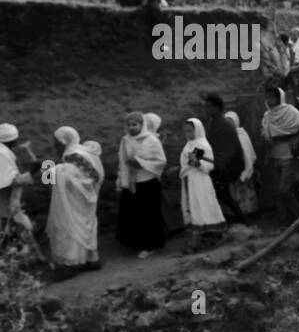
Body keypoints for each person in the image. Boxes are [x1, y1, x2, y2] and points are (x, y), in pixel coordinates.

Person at [46, 126, 104, 277]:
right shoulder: (82, 153)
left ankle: (71, 263)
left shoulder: (75, 156)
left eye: (56, 142)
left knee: (70, 231)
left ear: (64, 141)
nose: (55, 146)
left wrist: (49, 167)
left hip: (75, 203)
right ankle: (89, 259)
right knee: (83, 229)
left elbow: (51, 179)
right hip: (80, 201)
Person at [115, 111, 167, 258]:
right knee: (135, 215)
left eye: (135, 124)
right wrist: (121, 180)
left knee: (149, 215)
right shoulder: (125, 140)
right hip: (132, 184)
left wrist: (140, 163)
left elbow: (161, 161)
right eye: (129, 125)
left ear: (142, 125)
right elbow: (122, 162)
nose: (131, 128)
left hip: (148, 182)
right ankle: (136, 243)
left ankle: (150, 245)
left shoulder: (151, 140)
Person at [261, 87, 299, 225]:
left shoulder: (290, 111)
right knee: (278, 192)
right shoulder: (267, 116)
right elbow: (265, 133)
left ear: (279, 98)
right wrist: (266, 138)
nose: (269, 100)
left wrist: (296, 139)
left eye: (272, 97)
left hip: (289, 156)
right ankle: (284, 222)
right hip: (274, 156)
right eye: (267, 97)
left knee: (284, 190)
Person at [178, 118, 226, 252]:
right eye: (185, 131)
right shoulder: (188, 145)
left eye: (190, 131)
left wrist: (197, 163)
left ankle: (195, 243)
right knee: (193, 207)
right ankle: (207, 237)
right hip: (189, 180)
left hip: (199, 181)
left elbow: (210, 165)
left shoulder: (203, 145)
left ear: (197, 130)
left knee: (200, 207)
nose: (187, 134)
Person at [201, 94, 247, 223]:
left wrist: (216, 164)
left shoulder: (225, 125)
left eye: (208, 107)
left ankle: (242, 221)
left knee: (222, 195)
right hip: (215, 163)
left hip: (225, 166)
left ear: (217, 107)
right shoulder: (210, 123)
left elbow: (229, 150)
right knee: (221, 195)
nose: (206, 110)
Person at [0, 122, 36, 244]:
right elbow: (12, 182)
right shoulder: (2, 155)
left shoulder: (4, 153)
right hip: (6, 212)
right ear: (14, 141)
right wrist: (31, 174)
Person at [224, 111, 259, 216]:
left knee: (246, 193)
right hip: (232, 170)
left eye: (231, 122)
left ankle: (249, 214)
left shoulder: (242, 135)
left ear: (236, 122)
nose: (229, 125)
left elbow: (248, 153)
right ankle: (237, 215)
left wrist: (246, 170)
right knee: (235, 194)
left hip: (244, 168)